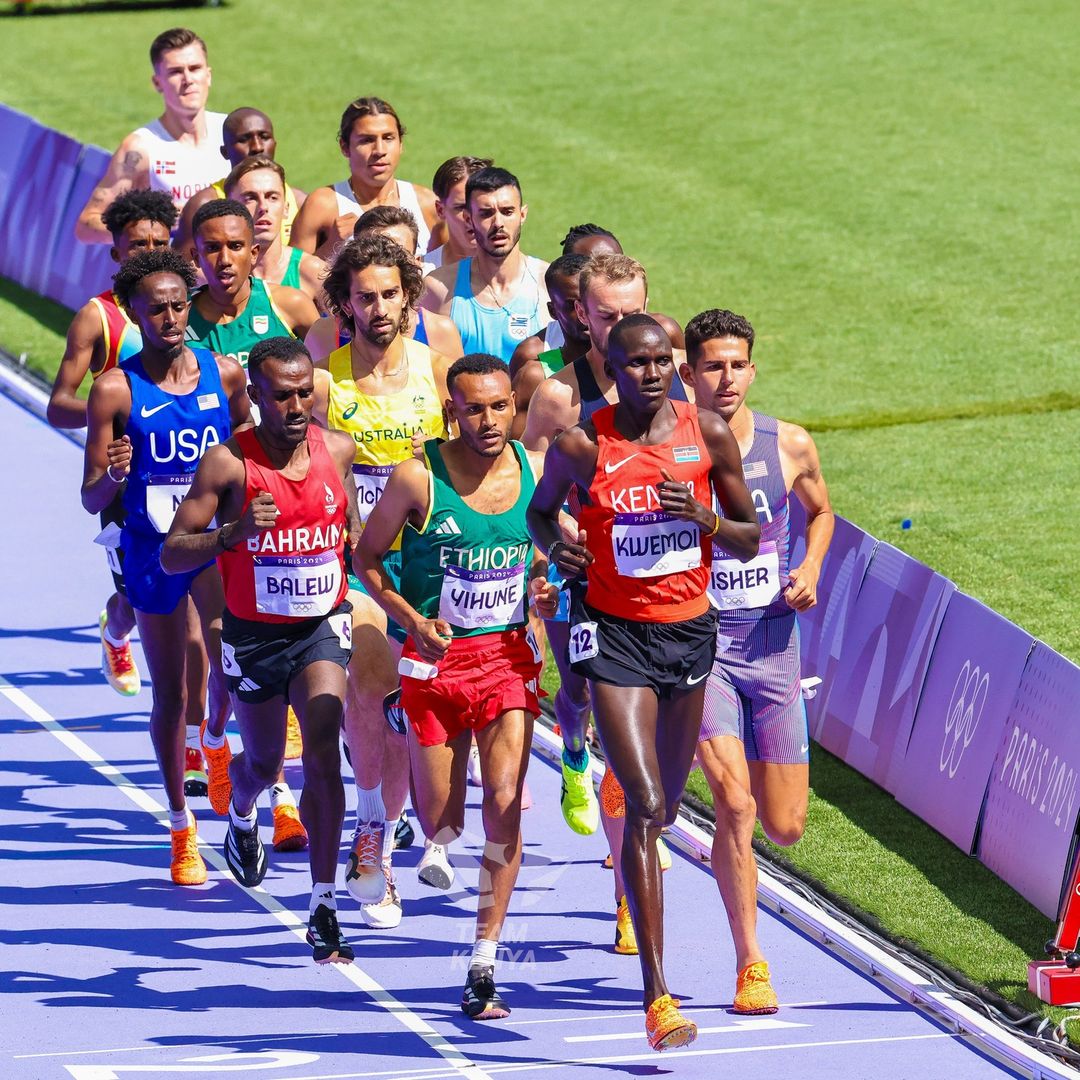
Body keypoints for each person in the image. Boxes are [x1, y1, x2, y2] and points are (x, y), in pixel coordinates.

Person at [527, 315, 759, 1051]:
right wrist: (561, 549)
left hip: (688, 633)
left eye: (664, 361)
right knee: (651, 803)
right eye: (638, 363)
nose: (653, 373)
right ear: (613, 367)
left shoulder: (708, 435)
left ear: (677, 366)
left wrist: (706, 521)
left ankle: (630, 821)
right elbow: (540, 513)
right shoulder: (582, 444)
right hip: (614, 634)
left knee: (665, 806)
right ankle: (658, 994)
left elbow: (752, 532)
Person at [355, 353, 558, 1020]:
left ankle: (483, 962)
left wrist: (539, 595)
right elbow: (365, 559)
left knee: (505, 798)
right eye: (474, 408)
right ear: (452, 412)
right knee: (445, 818)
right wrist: (412, 620)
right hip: (434, 667)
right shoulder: (420, 479)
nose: (490, 419)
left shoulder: (533, 470)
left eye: (500, 406)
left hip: (505, 662)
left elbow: (540, 552)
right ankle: (425, 805)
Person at [162, 337, 360, 965]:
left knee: (325, 751)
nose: (297, 405)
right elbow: (172, 552)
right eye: (283, 395)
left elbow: (347, 533)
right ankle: (242, 811)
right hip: (254, 636)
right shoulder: (227, 465)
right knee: (264, 760)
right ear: (255, 393)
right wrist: (234, 532)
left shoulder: (339, 450)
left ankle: (322, 905)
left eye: (306, 392)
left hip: (322, 625)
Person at [680, 308, 834, 1013]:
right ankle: (751, 962)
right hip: (703, 648)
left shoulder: (790, 443)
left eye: (738, 363)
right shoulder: (670, 449)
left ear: (754, 368)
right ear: (689, 373)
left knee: (786, 825)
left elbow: (821, 512)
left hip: (774, 647)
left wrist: (809, 565)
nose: (727, 376)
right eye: (713, 364)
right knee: (734, 805)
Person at [80, 249, 249, 885]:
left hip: (210, 539)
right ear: (135, 313)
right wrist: (116, 476)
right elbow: (91, 493)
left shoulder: (224, 374)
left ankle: (215, 742)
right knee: (171, 689)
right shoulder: (116, 388)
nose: (173, 316)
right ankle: (182, 826)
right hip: (151, 548)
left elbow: (243, 452)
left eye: (181, 303)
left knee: (231, 660)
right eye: (158, 308)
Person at [522, 254, 691, 838]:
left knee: (639, 703)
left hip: (655, 580)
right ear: (581, 315)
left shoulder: (672, 388)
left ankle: (627, 805)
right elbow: (534, 486)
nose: (622, 324)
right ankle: (573, 751)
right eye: (607, 315)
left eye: (634, 312)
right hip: (584, 571)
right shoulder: (558, 397)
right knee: (576, 688)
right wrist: (556, 549)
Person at [312, 233, 453, 925]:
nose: (377, 308)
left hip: (431, 569)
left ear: (408, 295)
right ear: (345, 302)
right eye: (363, 297)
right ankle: (372, 828)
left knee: (404, 714)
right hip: (354, 566)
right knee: (370, 682)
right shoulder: (324, 375)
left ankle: (384, 828)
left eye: (389, 294)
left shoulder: (439, 361)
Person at [50, 189, 177, 697]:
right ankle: (114, 628)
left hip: (188, 471)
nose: (148, 251)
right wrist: (118, 418)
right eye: (137, 243)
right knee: (137, 595)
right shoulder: (97, 317)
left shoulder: (182, 307)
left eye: (159, 242)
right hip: (126, 481)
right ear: (117, 253)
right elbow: (58, 404)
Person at [76, 28, 226, 242]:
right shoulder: (140, 148)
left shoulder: (232, 132)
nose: (188, 79)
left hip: (231, 272)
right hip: (170, 273)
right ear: (157, 83)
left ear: (208, 75)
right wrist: (152, 224)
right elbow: (86, 225)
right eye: (176, 71)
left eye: (195, 68)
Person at [305, 206, 463, 364]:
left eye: (397, 254)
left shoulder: (441, 332)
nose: (382, 263)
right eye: (371, 253)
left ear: (417, 263)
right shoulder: (324, 335)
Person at [421, 167, 548, 362]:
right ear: (468, 219)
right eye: (486, 213)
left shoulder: (546, 284)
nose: (498, 223)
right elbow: (424, 367)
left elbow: (559, 368)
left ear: (522, 215)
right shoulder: (438, 289)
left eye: (507, 212)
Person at [291, 96, 439, 262]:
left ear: (401, 143)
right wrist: (332, 245)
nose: (380, 150)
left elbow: (452, 268)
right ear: (345, 147)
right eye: (367, 140)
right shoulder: (322, 204)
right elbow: (293, 279)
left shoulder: (427, 204)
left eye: (388, 138)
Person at [185, 200, 319, 367]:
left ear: (253, 253)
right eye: (213, 248)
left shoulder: (291, 305)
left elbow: (328, 378)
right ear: (196, 257)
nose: (225, 260)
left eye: (235, 246)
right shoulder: (178, 315)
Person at [173, 107, 306, 253]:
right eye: (244, 139)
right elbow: (182, 266)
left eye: (264, 137)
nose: (257, 147)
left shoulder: (300, 202)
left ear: (275, 144)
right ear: (225, 152)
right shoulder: (203, 204)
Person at [508, 253, 590, 439]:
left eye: (588, 301)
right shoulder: (535, 377)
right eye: (572, 306)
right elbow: (517, 455)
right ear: (553, 311)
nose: (583, 313)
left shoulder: (622, 365)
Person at [223, 157, 325, 303]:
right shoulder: (212, 276)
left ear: (286, 209)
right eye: (250, 198)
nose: (263, 207)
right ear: (229, 209)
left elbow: (349, 324)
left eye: (272, 197)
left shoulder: (314, 273)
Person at [426, 156, 493, 272]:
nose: (472, 217)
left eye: (481, 207)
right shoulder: (422, 275)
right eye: (461, 207)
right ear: (440, 210)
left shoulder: (525, 271)